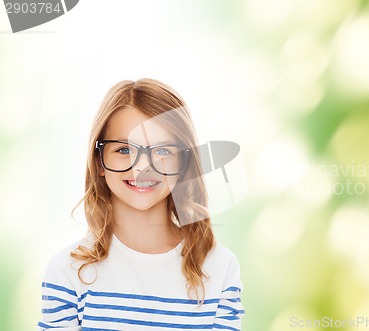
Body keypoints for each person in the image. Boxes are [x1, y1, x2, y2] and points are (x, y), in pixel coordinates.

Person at [37, 79, 245, 331]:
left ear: (184, 162)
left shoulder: (219, 268)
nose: (142, 167)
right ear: (99, 161)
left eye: (163, 151)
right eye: (124, 150)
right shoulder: (68, 272)